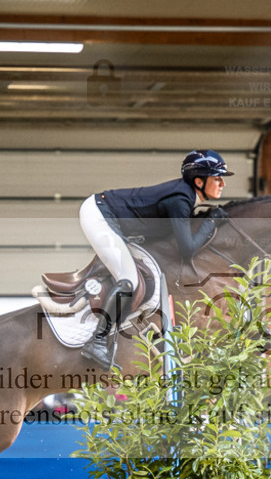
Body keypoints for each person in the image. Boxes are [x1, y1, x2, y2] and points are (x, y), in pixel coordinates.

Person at [77, 149, 232, 368]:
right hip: (100, 216)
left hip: (114, 218)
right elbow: (187, 249)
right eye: (217, 178)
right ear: (199, 181)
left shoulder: (186, 195)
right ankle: (98, 341)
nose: (222, 184)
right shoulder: (180, 199)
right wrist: (211, 222)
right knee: (129, 281)